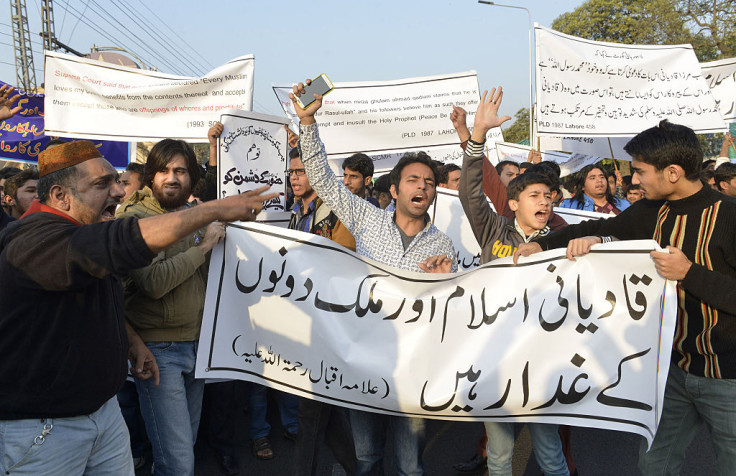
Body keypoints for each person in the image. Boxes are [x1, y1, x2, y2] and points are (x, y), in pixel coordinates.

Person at [0, 140, 276, 475]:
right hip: (46, 431)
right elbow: (121, 245)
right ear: (60, 196)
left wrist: (131, 341)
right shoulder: (35, 239)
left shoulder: (86, 229)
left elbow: (99, 294)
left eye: (115, 180)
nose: (118, 192)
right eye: (103, 184)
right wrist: (211, 211)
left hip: (104, 414)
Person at [514, 119, 736, 476]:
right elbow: (596, 228)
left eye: (641, 171)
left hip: (727, 378)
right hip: (673, 373)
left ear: (674, 172)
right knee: (654, 464)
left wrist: (690, 274)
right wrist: (542, 244)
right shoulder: (651, 211)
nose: (634, 180)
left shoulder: (729, 216)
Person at [291, 77, 456, 476]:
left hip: (411, 371)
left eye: (430, 183)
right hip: (362, 359)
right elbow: (325, 181)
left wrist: (448, 283)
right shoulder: (366, 219)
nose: (424, 187)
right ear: (395, 188)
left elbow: (454, 315)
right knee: (365, 459)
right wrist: (308, 125)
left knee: (410, 467)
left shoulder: (445, 248)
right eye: (414, 180)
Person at [459, 87, 570, 476]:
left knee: (550, 455)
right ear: (513, 203)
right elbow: (470, 192)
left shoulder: (560, 241)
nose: (545, 202)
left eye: (549, 197)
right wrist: (476, 139)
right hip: (497, 361)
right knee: (500, 457)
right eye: (535, 195)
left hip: (543, 363)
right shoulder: (493, 232)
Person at [116, 139, 229, 476]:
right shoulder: (137, 219)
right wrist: (205, 246)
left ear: (192, 178)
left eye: (180, 171)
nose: (172, 178)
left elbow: (205, 278)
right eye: (164, 170)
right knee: (178, 462)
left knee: (182, 450)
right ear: (151, 176)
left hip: (197, 346)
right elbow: (154, 282)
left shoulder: (191, 215)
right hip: (159, 350)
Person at [288, 146, 358, 475]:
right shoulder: (295, 211)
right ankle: (357, 466)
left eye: (301, 171)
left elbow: (343, 261)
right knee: (325, 411)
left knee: (312, 410)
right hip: (301, 319)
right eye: (291, 172)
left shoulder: (335, 213)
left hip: (327, 321)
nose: (294, 177)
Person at [559, 164, 630, 215]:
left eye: (602, 177)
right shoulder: (569, 206)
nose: (599, 180)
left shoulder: (624, 205)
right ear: (583, 186)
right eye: (592, 178)